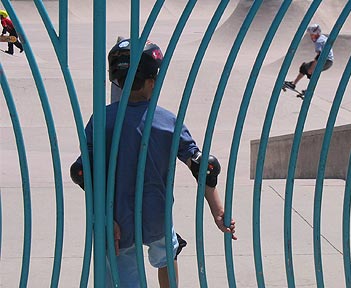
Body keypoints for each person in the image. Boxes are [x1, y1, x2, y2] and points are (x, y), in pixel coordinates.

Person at [70, 39, 237, 287]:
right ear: (151, 82)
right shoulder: (167, 121)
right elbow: (203, 167)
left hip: (117, 220)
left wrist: (105, 217)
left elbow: (83, 172)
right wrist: (218, 210)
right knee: (167, 256)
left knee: (122, 273)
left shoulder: (102, 119)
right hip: (157, 216)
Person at [283, 23, 333, 91]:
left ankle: (294, 84)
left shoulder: (319, 41)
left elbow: (320, 55)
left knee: (306, 68)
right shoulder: (323, 37)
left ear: (317, 33)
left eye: (312, 34)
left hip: (324, 61)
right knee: (309, 70)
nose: (311, 36)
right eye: (310, 35)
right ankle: (307, 88)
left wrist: (312, 67)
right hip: (329, 62)